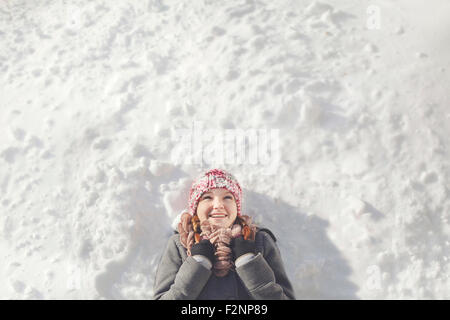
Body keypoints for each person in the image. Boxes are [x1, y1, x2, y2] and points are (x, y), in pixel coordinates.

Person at [153, 168, 295, 300]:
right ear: (196, 208)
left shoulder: (260, 241)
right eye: (207, 197)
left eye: (227, 197)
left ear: (236, 206)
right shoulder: (180, 244)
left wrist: (248, 262)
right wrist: (198, 264)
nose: (219, 205)